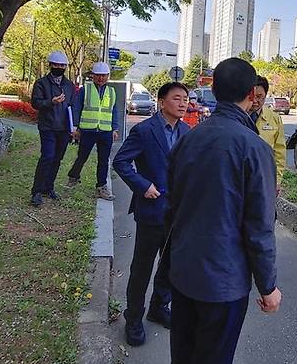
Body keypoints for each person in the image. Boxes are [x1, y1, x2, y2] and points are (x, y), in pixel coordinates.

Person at [159, 58, 281, 364]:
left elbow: (175, 203)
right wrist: (268, 286)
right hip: (222, 283)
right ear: (252, 96)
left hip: (184, 271)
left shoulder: (190, 137)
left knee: (185, 360)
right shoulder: (253, 148)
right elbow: (259, 228)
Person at [112, 82, 190, 346]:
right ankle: (133, 317)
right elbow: (121, 161)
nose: (182, 103)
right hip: (151, 211)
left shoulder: (186, 132)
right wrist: (143, 185)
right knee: (142, 268)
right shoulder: (144, 130)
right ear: (161, 101)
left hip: (177, 214)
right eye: (176, 98)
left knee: (169, 266)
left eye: (185, 99)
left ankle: (159, 307)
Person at [30, 51, 77, 207]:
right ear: (50, 65)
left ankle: (48, 187)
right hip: (48, 126)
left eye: (62, 65)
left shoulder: (69, 85)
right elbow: (35, 103)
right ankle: (36, 191)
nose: (59, 67)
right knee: (47, 157)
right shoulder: (41, 83)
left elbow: (73, 106)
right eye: (56, 65)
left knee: (57, 158)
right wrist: (51, 102)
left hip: (64, 128)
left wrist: (74, 126)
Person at [68, 61, 119, 200]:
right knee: (82, 156)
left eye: (104, 75)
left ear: (108, 76)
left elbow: (114, 110)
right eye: (98, 75)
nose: (101, 78)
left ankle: (101, 187)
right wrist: (76, 127)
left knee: (103, 160)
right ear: (93, 76)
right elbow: (77, 107)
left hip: (105, 131)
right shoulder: (86, 89)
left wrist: (115, 128)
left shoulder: (111, 91)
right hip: (88, 130)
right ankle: (73, 177)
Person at [250, 75, 286, 194]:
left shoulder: (274, 118)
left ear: (266, 95)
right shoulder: (239, 117)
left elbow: (279, 153)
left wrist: (277, 180)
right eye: (252, 96)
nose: (255, 101)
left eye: (259, 96)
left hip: (265, 178)